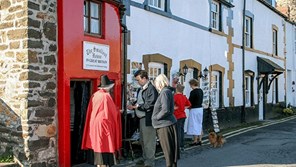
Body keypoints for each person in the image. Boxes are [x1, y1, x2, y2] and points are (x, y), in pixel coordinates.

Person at [81, 75, 122, 167]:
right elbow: (112, 112)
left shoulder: (95, 95)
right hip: (104, 126)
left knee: (97, 145)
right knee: (104, 146)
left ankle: (99, 165)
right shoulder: (106, 96)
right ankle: (103, 165)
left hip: (94, 124)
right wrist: (118, 111)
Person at [127, 70, 158, 167]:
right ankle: (146, 160)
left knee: (149, 141)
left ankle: (149, 162)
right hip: (141, 118)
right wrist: (133, 104)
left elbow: (150, 104)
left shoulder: (151, 89)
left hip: (147, 118)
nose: (138, 82)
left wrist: (137, 107)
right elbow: (140, 101)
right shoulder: (141, 89)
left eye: (138, 80)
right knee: (143, 141)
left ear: (144, 78)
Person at [152, 74, 179, 167]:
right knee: (170, 153)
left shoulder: (164, 92)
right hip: (166, 124)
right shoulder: (167, 91)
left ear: (159, 83)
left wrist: (156, 117)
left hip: (165, 125)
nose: (155, 86)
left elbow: (165, 110)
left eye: (156, 83)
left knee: (168, 152)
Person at [173, 84, 191, 151]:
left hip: (177, 116)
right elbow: (189, 105)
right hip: (183, 115)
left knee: (177, 131)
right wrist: (183, 107)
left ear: (176, 89)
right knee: (181, 131)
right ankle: (182, 145)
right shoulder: (184, 97)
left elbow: (171, 106)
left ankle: (178, 146)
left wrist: (175, 108)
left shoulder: (175, 97)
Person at [187, 79, 204, 146]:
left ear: (192, 84)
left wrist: (187, 107)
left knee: (194, 124)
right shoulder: (201, 91)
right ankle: (200, 140)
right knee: (199, 124)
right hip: (200, 109)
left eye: (190, 85)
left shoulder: (193, 92)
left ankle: (195, 140)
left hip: (194, 109)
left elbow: (190, 102)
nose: (190, 86)